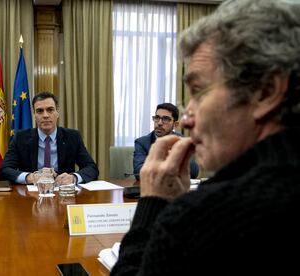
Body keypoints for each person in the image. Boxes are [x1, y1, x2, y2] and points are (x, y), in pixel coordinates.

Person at [111, 0, 300, 274]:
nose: (187, 119)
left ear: (266, 92)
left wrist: (154, 203)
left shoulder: (206, 217)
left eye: (198, 91)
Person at [0, 91, 99, 185]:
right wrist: (30, 177)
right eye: (40, 111)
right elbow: (4, 170)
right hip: (31, 195)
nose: (45, 115)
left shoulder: (72, 137)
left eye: (50, 110)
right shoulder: (20, 138)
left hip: (63, 194)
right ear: (34, 115)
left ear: (57, 112)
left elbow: (91, 168)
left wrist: (73, 178)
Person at [133, 103, 199, 179]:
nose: (159, 123)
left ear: (175, 124)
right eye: (157, 118)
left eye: (165, 119)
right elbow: (139, 172)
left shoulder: (181, 140)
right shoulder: (142, 142)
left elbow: (194, 172)